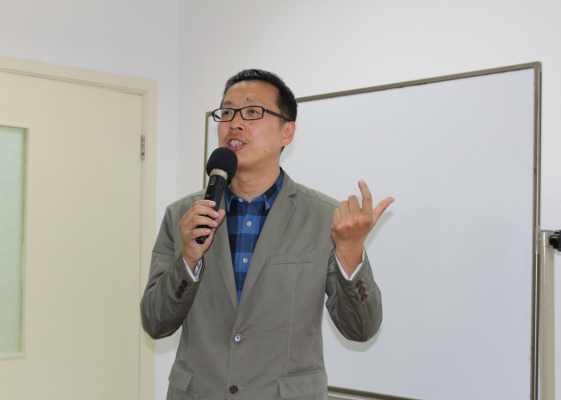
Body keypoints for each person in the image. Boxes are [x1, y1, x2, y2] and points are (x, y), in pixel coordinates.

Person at [141, 69, 394, 399]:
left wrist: (350, 253)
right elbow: (155, 323)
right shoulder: (183, 216)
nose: (235, 123)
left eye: (252, 111)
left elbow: (360, 329)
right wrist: (188, 259)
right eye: (226, 112)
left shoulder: (325, 218)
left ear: (287, 132)